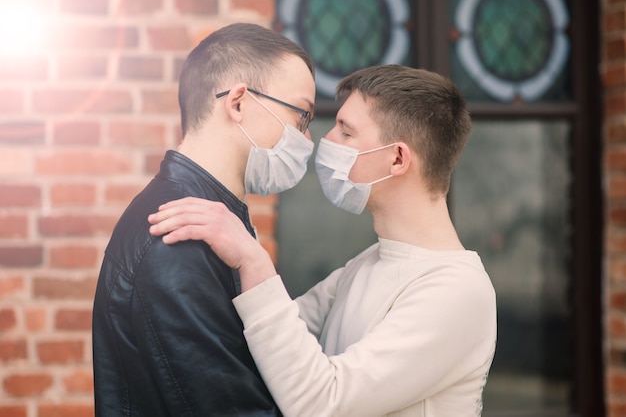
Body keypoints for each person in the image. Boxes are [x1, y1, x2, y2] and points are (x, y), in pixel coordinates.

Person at [148, 65, 497, 416]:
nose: (325, 141)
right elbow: (268, 343)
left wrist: (252, 259)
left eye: (346, 133)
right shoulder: (370, 263)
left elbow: (322, 403)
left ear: (397, 158)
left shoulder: (457, 291)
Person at [91, 22, 316, 416]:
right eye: (302, 117)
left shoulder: (214, 222)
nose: (307, 140)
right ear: (239, 103)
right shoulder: (176, 238)